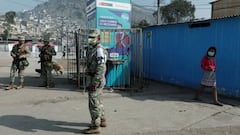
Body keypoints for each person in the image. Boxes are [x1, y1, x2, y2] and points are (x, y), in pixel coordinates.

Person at [84, 29, 107, 134]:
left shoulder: (99, 50)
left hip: (96, 79)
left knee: (93, 103)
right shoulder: (93, 49)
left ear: (98, 38)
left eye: (93, 37)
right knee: (98, 100)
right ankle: (102, 120)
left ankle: (95, 126)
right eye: (90, 37)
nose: (90, 39)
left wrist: (95, 82)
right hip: (95, 78)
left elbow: (101, 67)